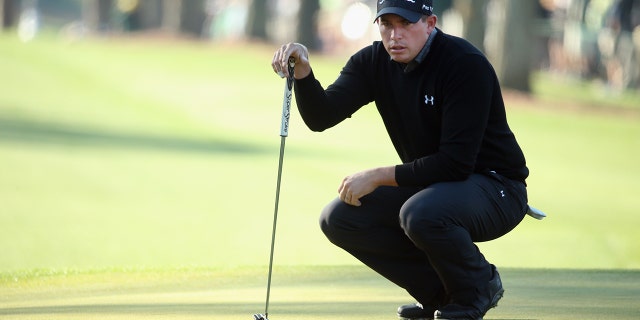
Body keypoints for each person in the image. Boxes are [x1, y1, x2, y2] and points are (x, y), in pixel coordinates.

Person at [271, 0, 529, 319]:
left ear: (430, 23)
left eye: (406, 24)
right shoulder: (373, 62)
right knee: (339, 218)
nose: (395, 35)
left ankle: (477, 286)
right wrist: (306, 74)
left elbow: (456, 163)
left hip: (497, 189)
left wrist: (379, 176)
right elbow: (321, 116)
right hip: (435, 189)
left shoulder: (464, 63)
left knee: (419, 213)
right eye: (387, 24)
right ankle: (441, 295)